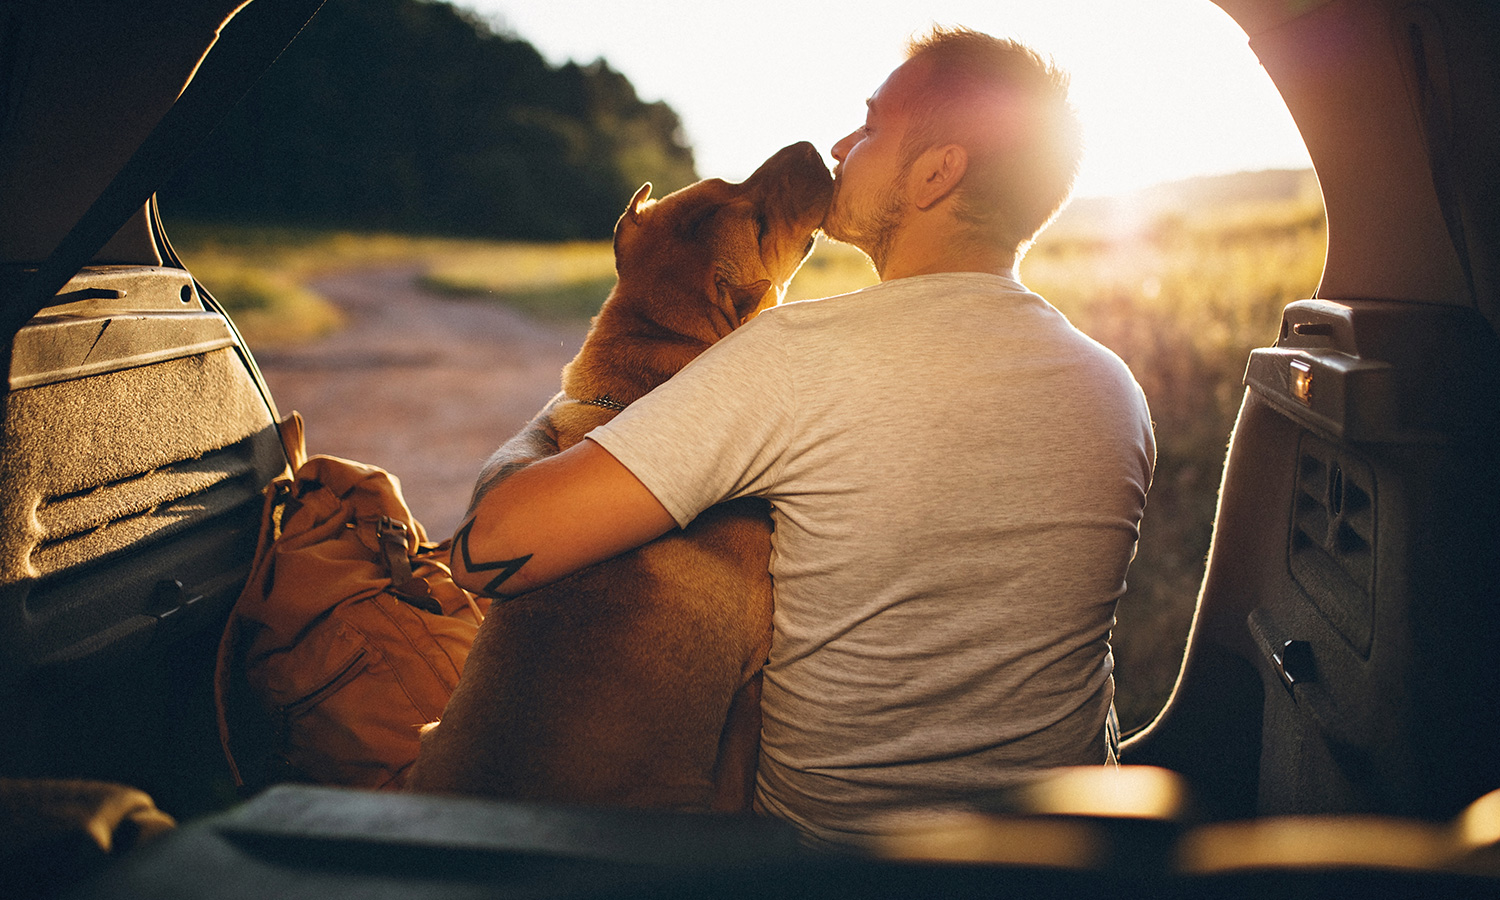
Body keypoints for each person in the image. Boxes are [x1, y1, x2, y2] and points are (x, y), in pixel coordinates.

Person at [451, 26, 1155, 848]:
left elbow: (485, 550)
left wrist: (565, 418)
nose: (840, 145)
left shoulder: (792, 358)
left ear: (937, 171)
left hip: (834, 865)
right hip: (1063, 859)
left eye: (871, 128)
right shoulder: (1115, 387)